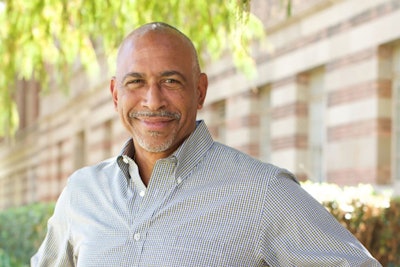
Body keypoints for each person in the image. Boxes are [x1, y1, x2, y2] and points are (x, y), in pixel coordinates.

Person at [31, 22, 382, 267]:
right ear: (114, 94)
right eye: (136, 81)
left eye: (171, 81)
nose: (152, 101)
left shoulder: (262, 193)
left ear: (200, 91)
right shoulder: (82, 192)